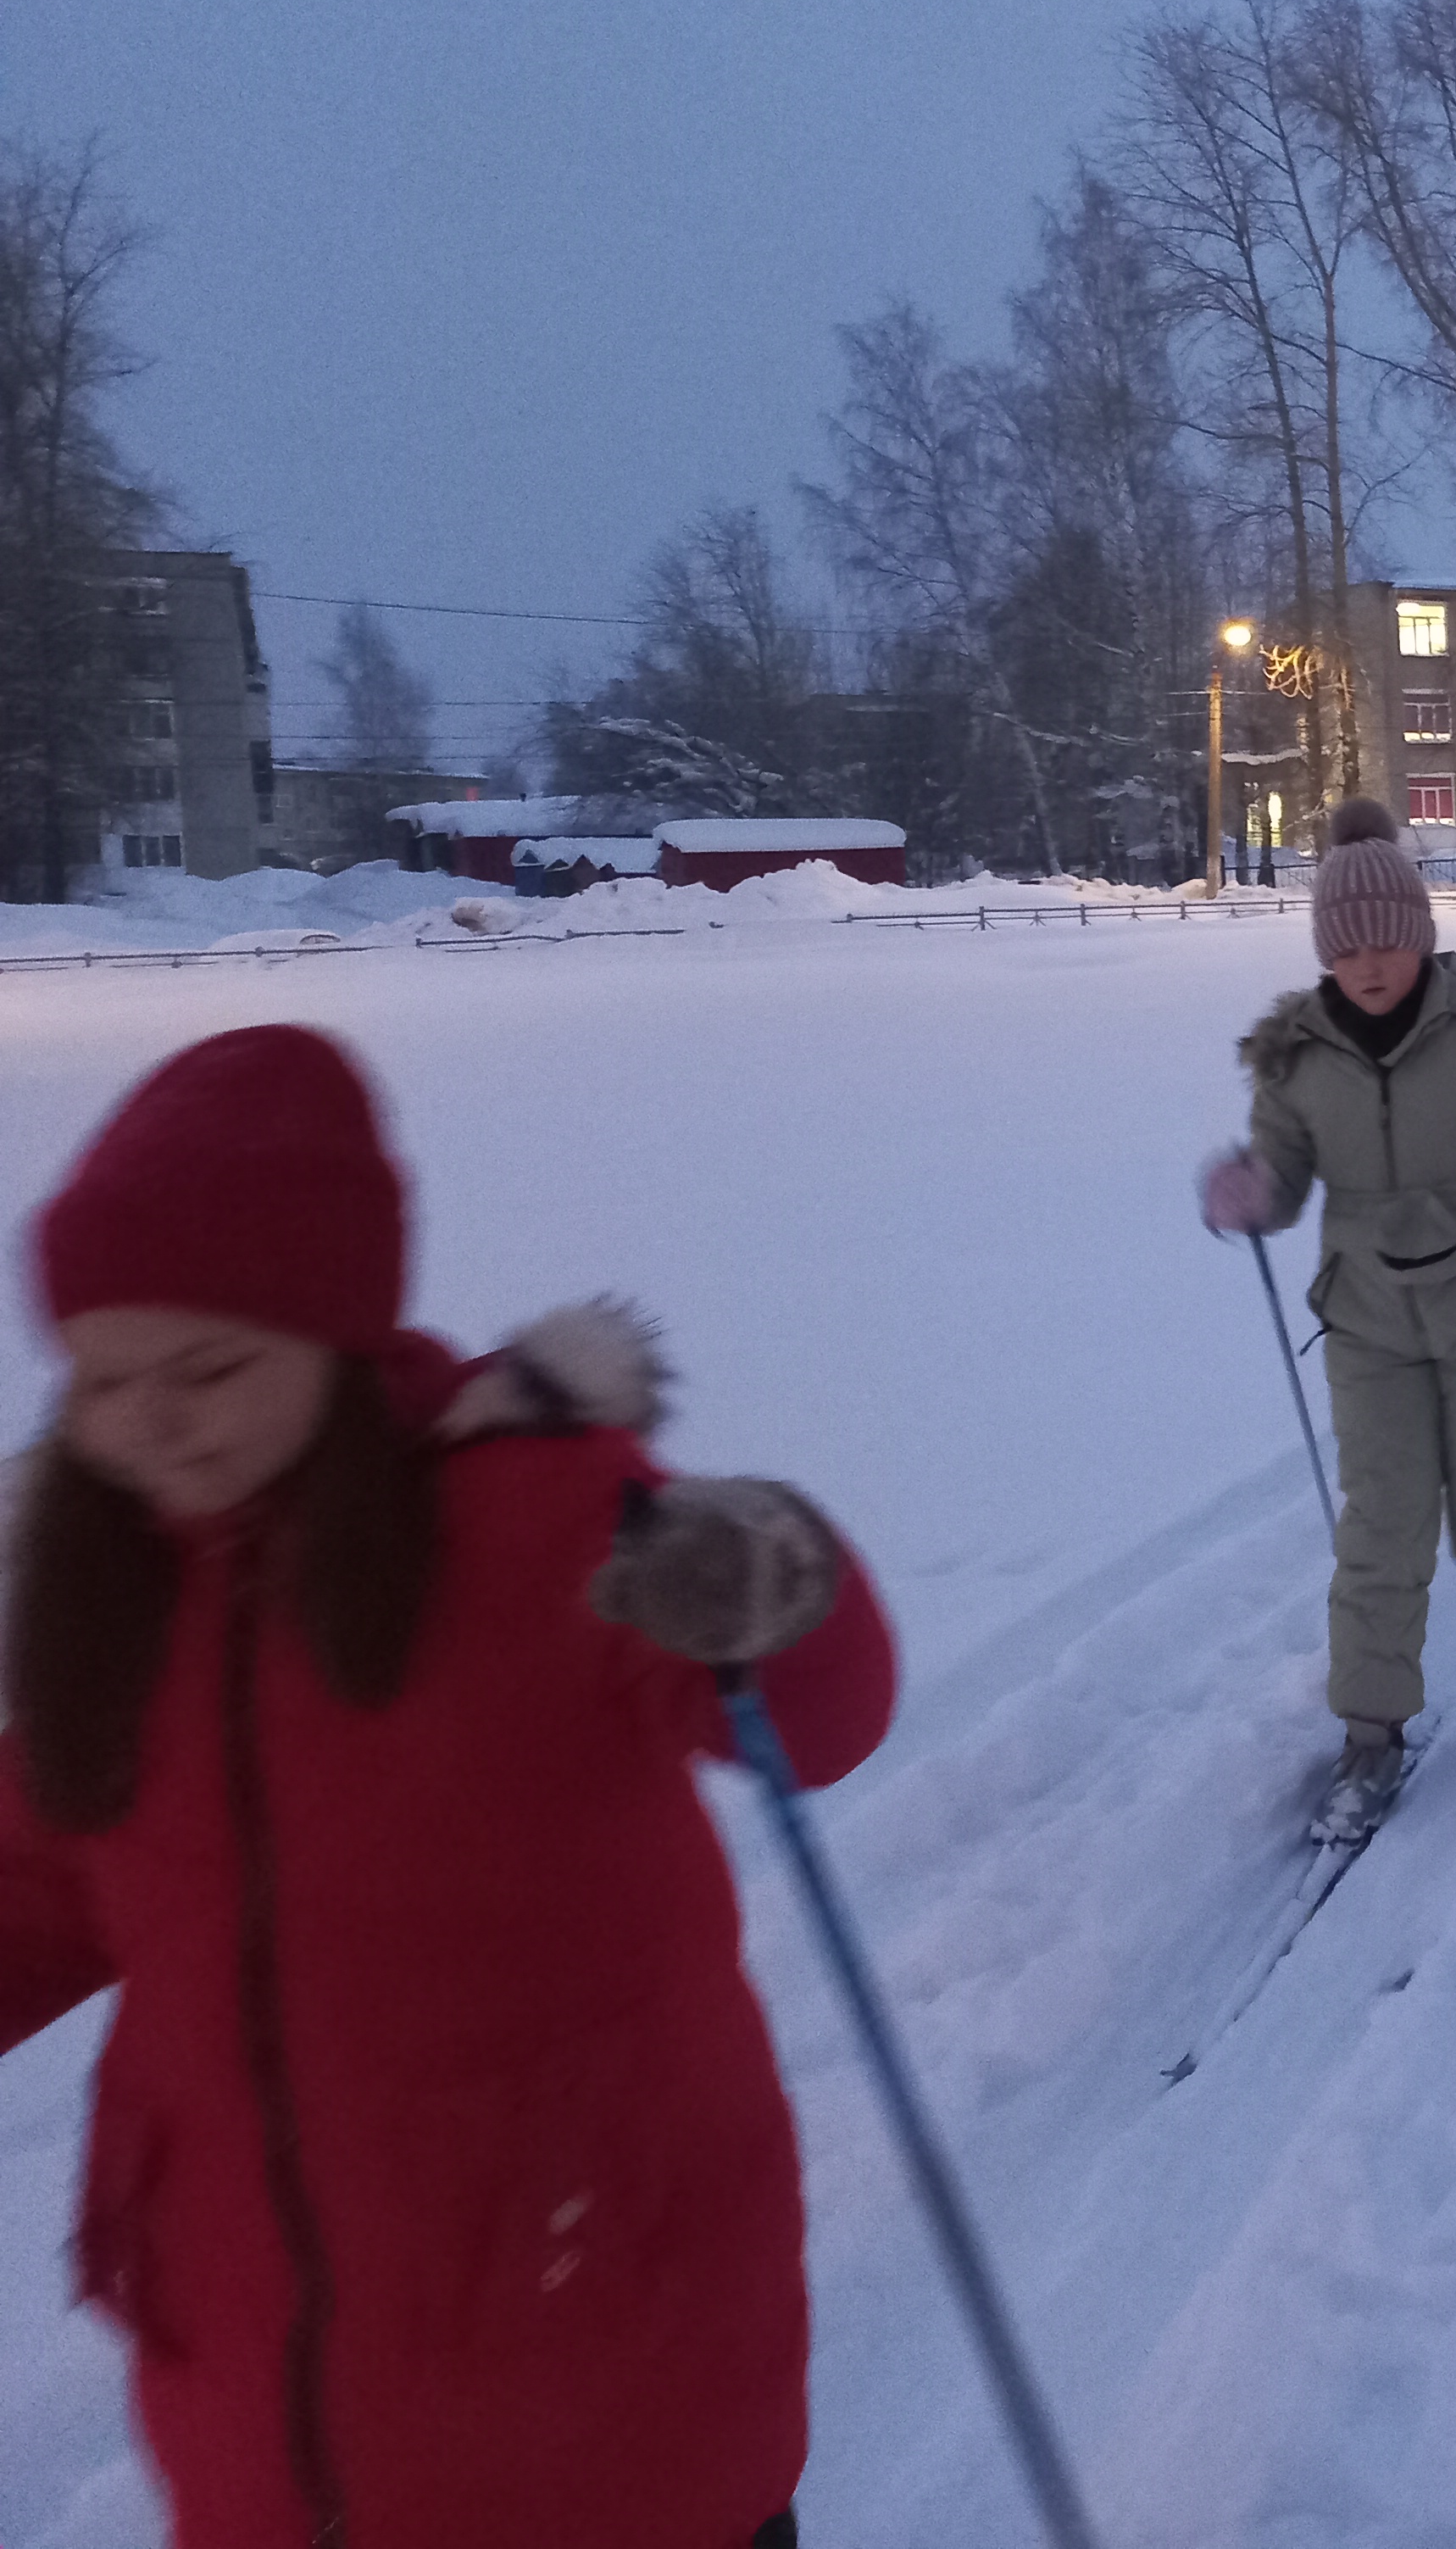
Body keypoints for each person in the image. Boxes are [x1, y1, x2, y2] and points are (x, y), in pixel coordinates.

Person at [0, 1023, 894, 2549]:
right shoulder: (115, 1603)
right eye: (104, 1377)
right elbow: (37, 1892)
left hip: (604, 2384)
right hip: (255, 2429)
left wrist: (771, 1583)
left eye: (209, 1366)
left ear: (339, 1340)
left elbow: (810, 1717)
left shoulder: (531, 1513)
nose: (150, 1419)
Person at [1200, 799, 1456, 1839]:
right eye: (1346, 947)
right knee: (1381, 1525)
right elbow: (1284, 1176)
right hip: (1369, 1320)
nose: (1368, 965)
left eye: (1386, 942)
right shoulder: (1297, 1059)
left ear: (1418, 935)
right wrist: (1253, 1193)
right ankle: (1370, 1733)